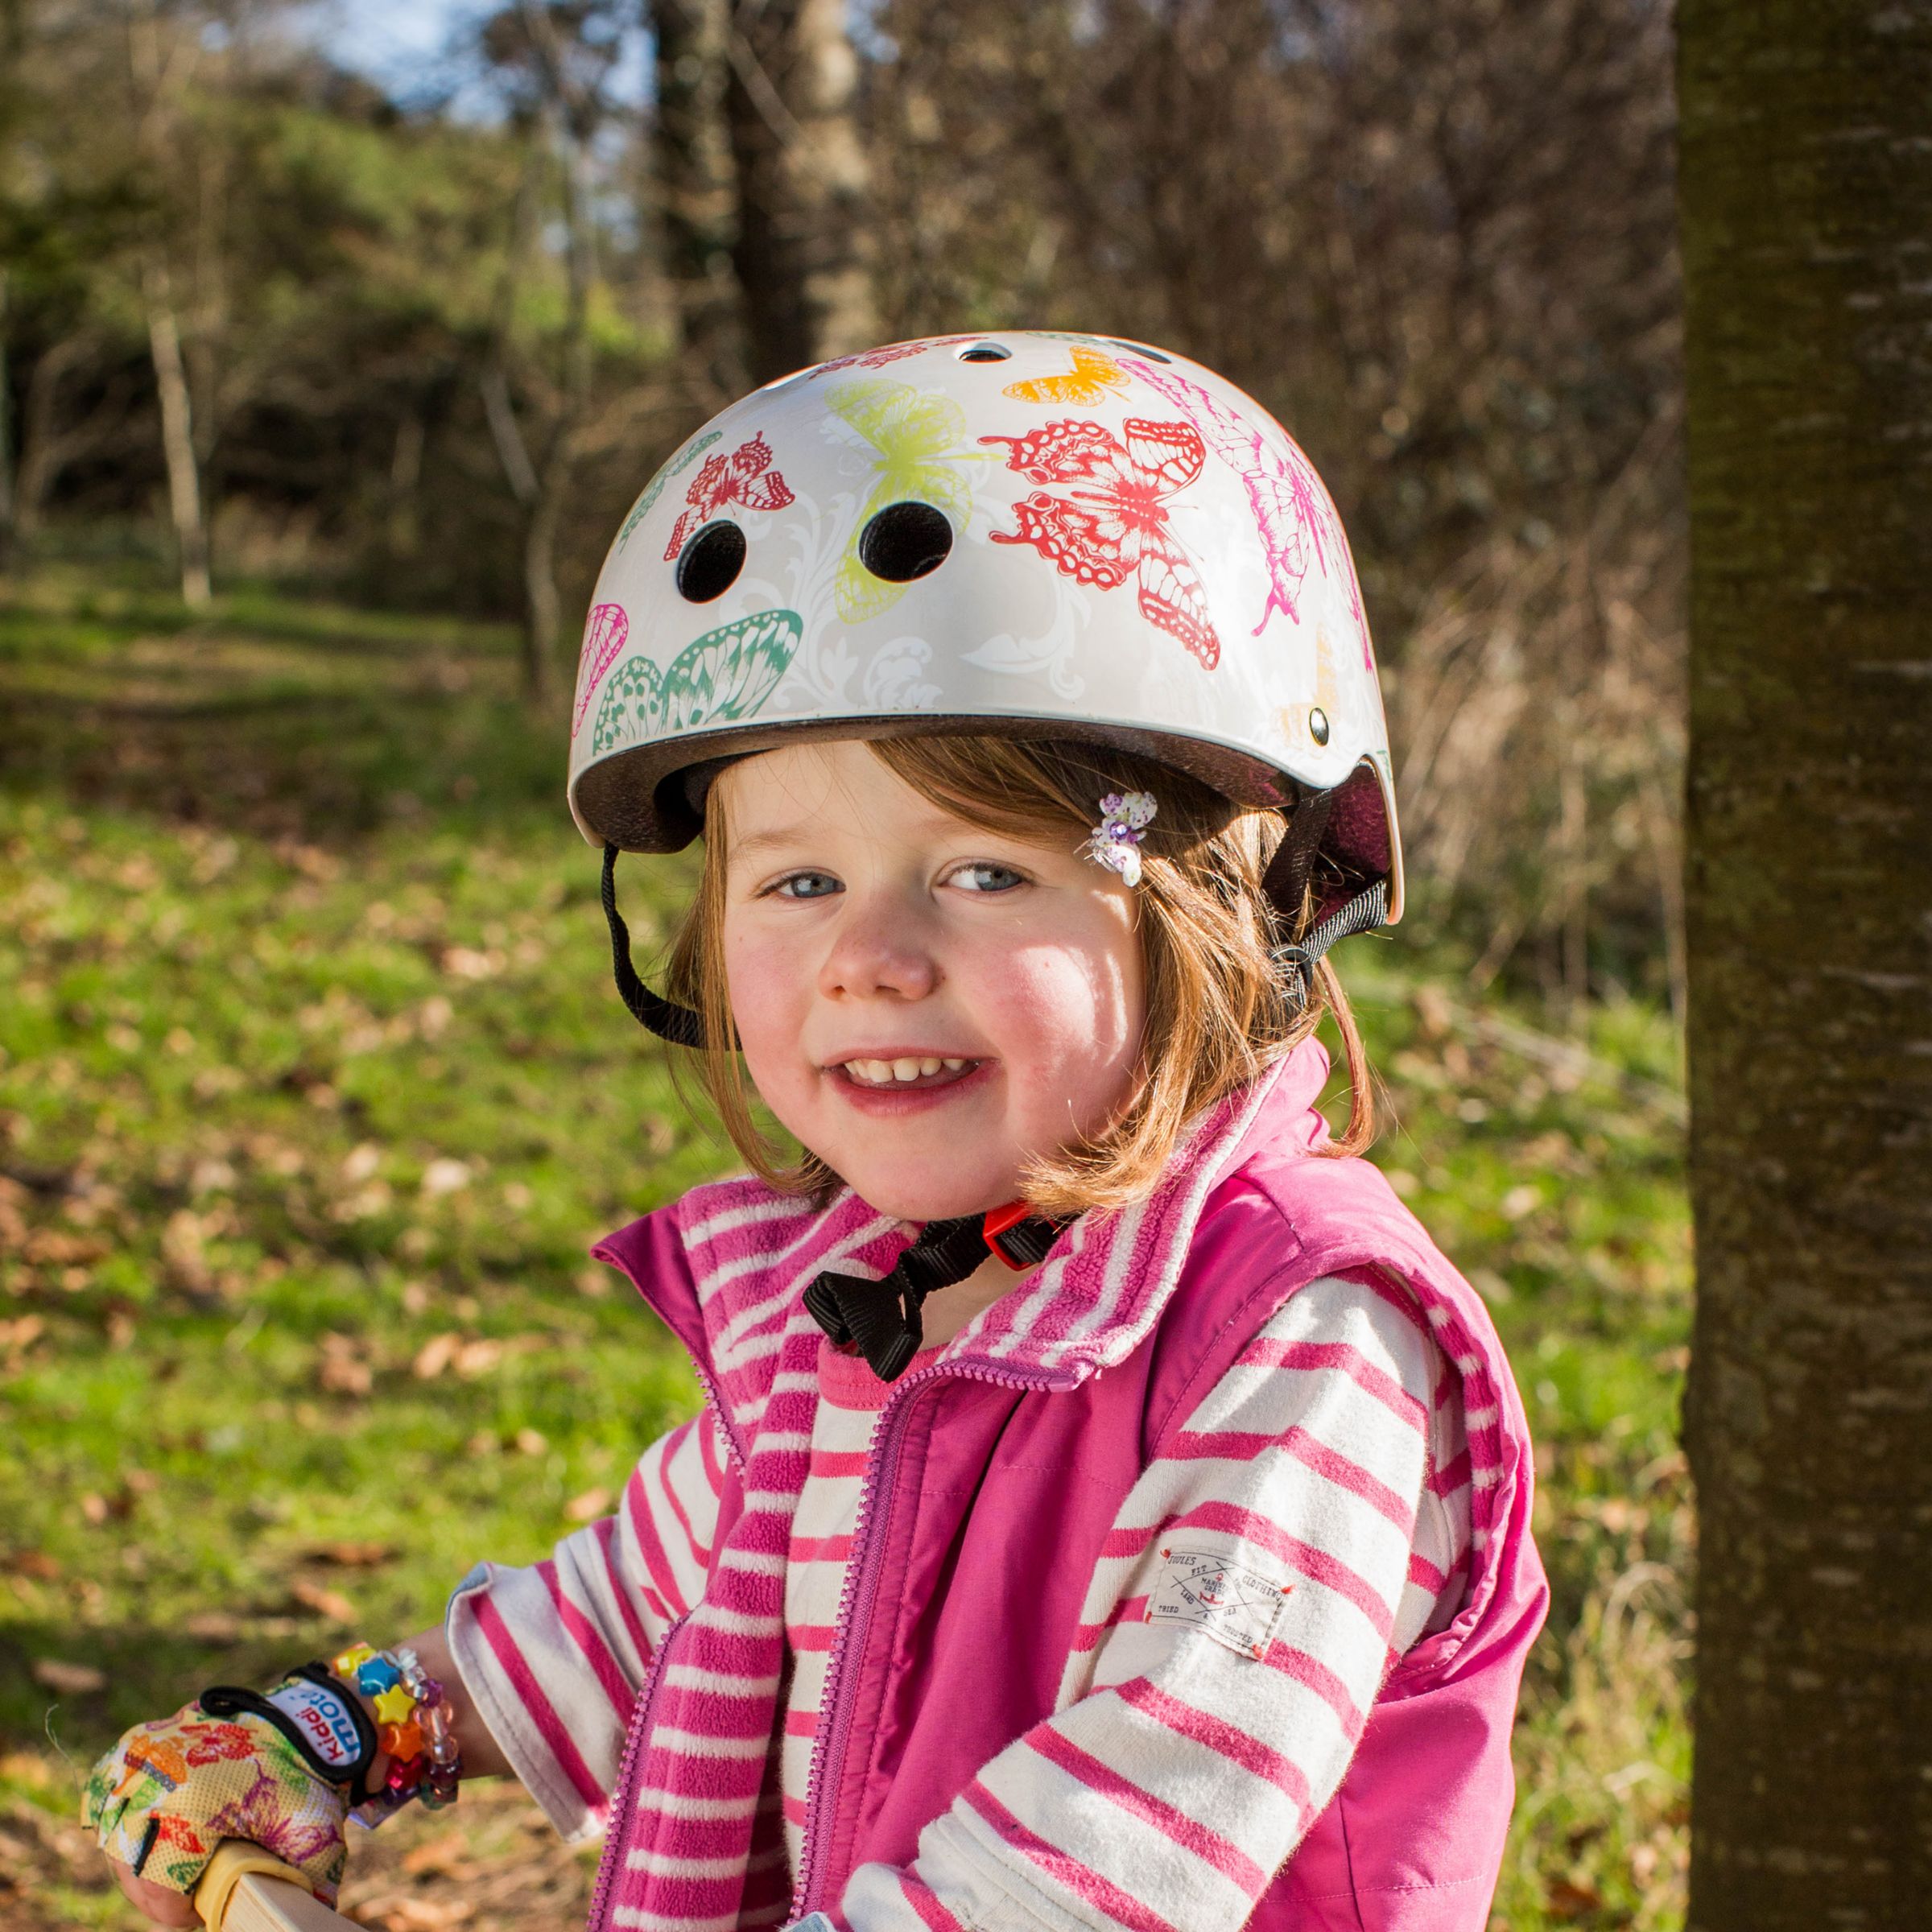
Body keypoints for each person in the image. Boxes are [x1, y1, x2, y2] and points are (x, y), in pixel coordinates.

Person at [85, 332, 1548, 1932]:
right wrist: (340, 1736)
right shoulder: (856, 1307)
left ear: (1219, 915)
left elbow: (1107, 1857)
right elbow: (621, 1619)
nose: (873, 957)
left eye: (987, 871)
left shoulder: (1305, 1352)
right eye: (797, 882)